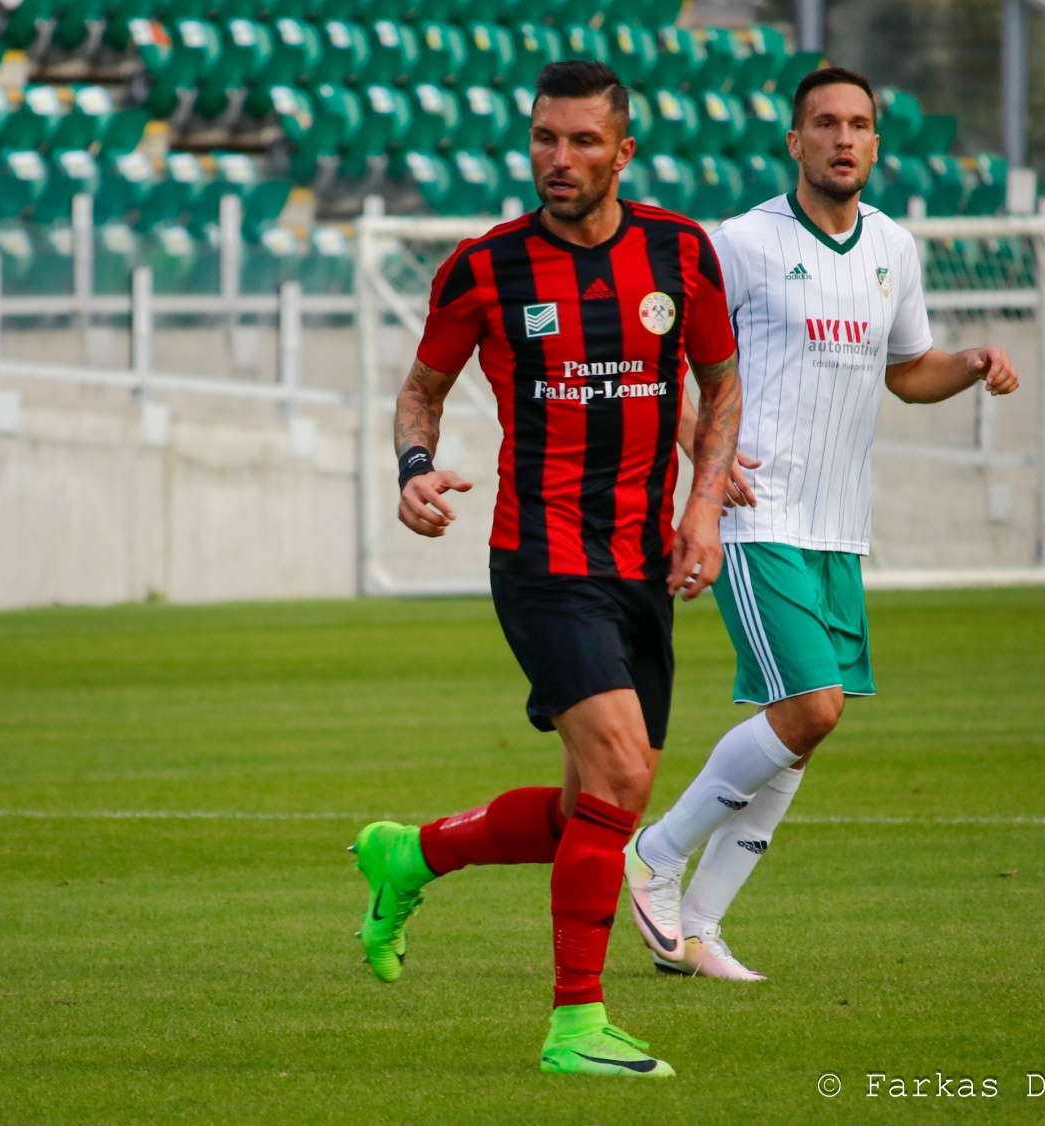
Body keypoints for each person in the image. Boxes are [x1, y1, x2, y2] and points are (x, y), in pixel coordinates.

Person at [349, 60, 741, 1077]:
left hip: (641, 563)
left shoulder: (679, 252)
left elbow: (719, 383)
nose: (557, 159)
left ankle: (411, 853)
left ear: (623, 151)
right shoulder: (485, 268)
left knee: (589, 811)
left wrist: (702, 507)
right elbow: (420, 392)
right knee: (623, 774)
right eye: (543, 139)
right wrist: (414, 469)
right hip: (542, 558)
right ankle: (575, 1025)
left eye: (580, 141)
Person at [626, 66, 1020, 980]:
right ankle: (655, 852)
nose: (844, 138)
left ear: (876, 143)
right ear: (794, 141)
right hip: (759, 513)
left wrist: (969, 363)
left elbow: (907, 370)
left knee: (800, 731)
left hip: (839, 525)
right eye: (825, 123)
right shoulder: (739, 242)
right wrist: (704, 457)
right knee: (812, 707)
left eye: (858, 124)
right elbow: (660, 357)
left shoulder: (894, 247)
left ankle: (699, 928)